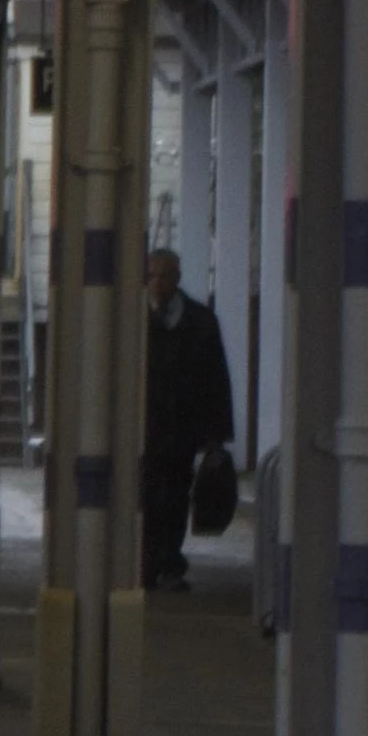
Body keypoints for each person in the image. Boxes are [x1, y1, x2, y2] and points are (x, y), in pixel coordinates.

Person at [141, 250, 237, 590]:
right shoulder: (135, 321)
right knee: (147, 496)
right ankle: (150, 561)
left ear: (177, 278)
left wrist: (217, 435)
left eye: (164, 276)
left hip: (182, 428)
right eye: (152, 276)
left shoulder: (200, 322)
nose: (157, 283)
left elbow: (216, 379)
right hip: (146, 427)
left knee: (176, 496)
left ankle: (168, 561)